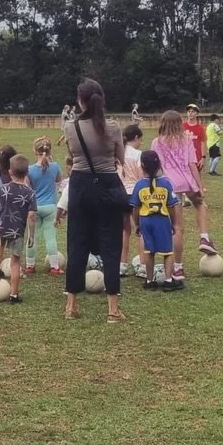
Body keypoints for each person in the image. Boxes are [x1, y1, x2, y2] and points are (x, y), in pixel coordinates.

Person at [62, 78, 128, 323]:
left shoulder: (71, 127)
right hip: (108, 185)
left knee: (76, 243)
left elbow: (72, 156)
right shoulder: (113, 127)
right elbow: (120, 158)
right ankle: (112, 309)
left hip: (80, 185)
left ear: (80, 101)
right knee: (111, 246)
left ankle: (71, 306)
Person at [151, 109, 216, 277]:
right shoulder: (186, 139)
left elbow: (156, 168)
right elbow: (192, 164)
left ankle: (178, 268)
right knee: (200, 203)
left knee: (177, 228)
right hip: (186, 180)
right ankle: (204, 236)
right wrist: (199, 186)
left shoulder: (156, 143)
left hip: (168, 184)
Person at [129, 149, 182, 291]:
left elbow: (135, 208)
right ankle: (168, 280)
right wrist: (173, 222)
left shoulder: (139, 185)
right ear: (159, 165)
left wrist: (137, 224)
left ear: (142, 167)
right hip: (162, 220)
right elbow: (171, 206)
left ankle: (149, 281)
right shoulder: (166, 184)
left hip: (146, 221)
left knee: (149, 251)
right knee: (167, 251)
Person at [0, 154, 37, 303]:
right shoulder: (30, 193)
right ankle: (14, 295)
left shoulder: (3, 189)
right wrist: (31, 235)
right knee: (15, 263)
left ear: (10, 171)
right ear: (27, 172)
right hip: (17, 231)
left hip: (2, 227)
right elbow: (31, 216)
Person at [26, 137, 62, 275]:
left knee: (32, 237)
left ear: (35, 152)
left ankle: (30, 265)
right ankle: (54, 266)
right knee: (50, 237)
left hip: (34, 207)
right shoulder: (55, 166)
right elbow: (58, 180)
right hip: (50, 207)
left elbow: (28, 188)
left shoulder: (29, 169)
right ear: (50, 151)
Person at [118, 124, 145, 277]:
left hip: (121, 194)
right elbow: (141, 177)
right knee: (140, 230)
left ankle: (122, 264)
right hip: (135, 194)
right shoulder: (138, 154)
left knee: (124, 230)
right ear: (135, 137)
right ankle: (142, 265)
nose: (141, 143)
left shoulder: (118, 153)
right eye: (140, 139)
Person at [183, 104, 207, 172]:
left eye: (193, 111)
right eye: (189, 111)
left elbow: (203, 143)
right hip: (184, 158)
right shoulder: (182, 126)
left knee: (197, 177)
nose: (190, 113)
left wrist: (203, 158)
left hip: (196, 158)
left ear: (197, 114)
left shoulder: (200, 128)